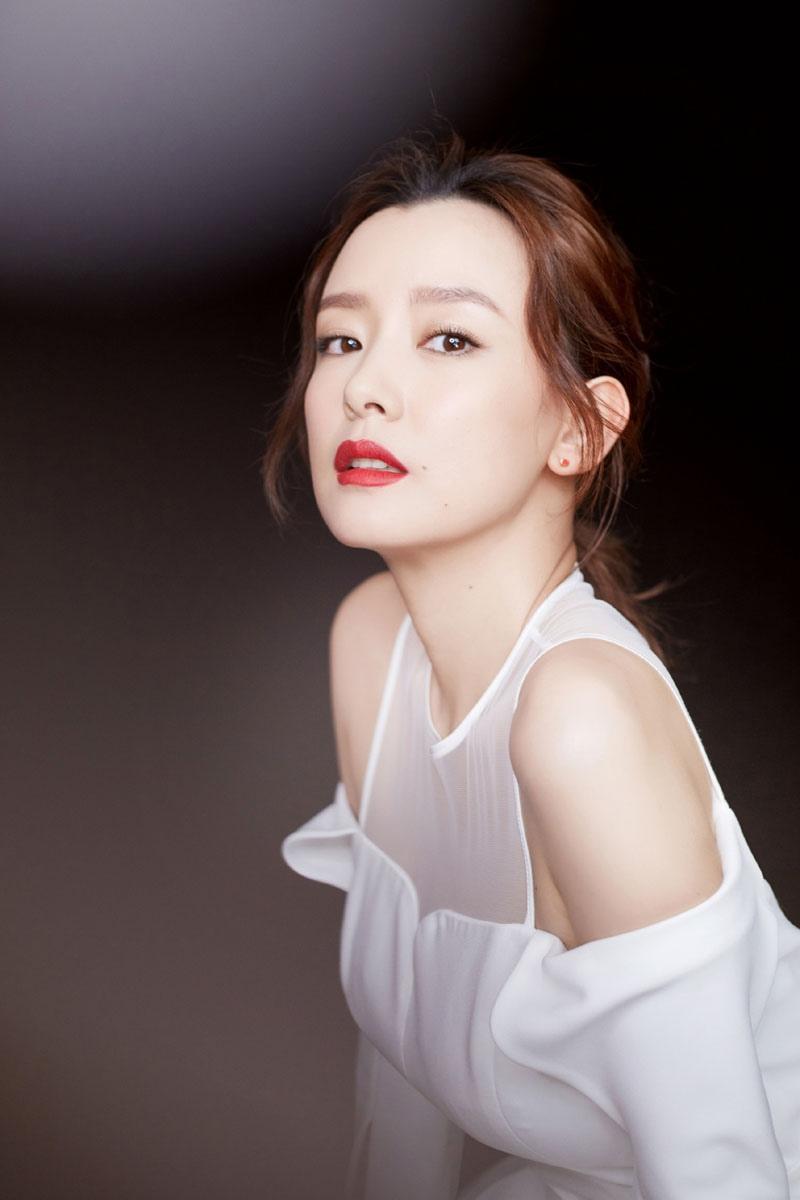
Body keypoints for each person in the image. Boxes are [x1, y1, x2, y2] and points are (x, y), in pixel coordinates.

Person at [265, 126, 800, 1199]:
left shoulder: (577, 719)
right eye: (341, 339)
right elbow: (402, 1072)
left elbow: (724, 1172)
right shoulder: (370, 644)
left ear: (582, 430)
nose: (365, 388)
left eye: (448, 339)